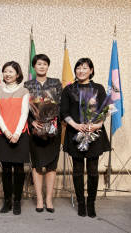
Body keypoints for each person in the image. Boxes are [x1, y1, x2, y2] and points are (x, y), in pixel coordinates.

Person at [61, 58, 110, 218]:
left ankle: (91, 203)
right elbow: (64, 112)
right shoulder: (69, 89)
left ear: (91, 70)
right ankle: (81, 203)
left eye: (85, 68)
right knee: (77, 170)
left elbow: (105, 110)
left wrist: (97, 125)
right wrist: (75, 125)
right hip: (75, 134)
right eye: (78, 68)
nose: (81, 71)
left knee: (93, 170)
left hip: (94, 134)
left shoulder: (98, 88)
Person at [24, 54, 62, 213]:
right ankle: (39, 198)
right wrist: (31, 121)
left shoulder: (56, 83)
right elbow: (22, 107)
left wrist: (53, 120)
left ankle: (49, 199)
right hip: (35, 129)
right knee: (38, 165)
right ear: (34, 66)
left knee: (51, 166)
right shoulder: (27, 85)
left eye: (44, 64)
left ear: (48, 66)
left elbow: (61, 104)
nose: (41, 66)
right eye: (38, 64)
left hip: (53, 130)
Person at [0, 61, 30, 215]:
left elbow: (24, 114)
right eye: (5, 71)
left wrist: (16, 133)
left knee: (19, 170)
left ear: (17, 74)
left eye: (11, 71)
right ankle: (7, 201)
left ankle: (17, 201)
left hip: (20, 135)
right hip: (3, 134)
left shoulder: (24, 91)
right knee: (6, 170)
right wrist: (7, 132)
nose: (7, 74)